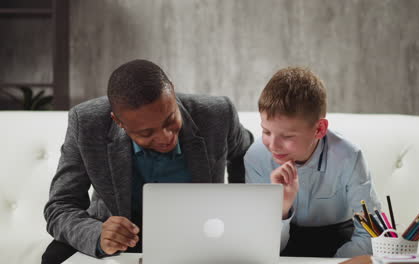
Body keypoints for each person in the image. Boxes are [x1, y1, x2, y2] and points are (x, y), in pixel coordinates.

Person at [42, 59, 253, 263]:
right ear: (119, 122)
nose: (165, 137)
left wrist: (233, 210)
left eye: (170, 120)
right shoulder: (87, 122)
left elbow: (248, 155)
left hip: (198, 234)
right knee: (54, 256)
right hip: (123, 239)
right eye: (146, 133)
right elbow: (60, 206)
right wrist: (98, 234)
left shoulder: (217, 113)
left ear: (171, 89)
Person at [244, 67, 381, 258]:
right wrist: (281, 208)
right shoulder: (256, 157)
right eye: (266, 132)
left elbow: (371, 232)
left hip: (339, 242)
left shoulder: (349, 157)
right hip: (282, 241)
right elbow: (261, 243)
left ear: (319, 129)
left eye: (287, 136)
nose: (273, 145)